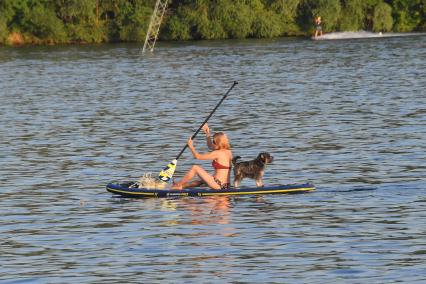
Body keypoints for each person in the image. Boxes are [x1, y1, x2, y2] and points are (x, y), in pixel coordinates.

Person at [172, 123, 233, 190]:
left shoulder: (217, 153)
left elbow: (198, 157)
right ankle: (182, 187)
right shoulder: (229, 152)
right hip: (226, 186)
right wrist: (207, 133)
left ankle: (178, 185)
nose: (213, 143)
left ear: (218, 143)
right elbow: (210, 146)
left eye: (214, 141)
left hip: (218, 184)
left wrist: (191, 147)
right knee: (201, 180)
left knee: (195, 168)